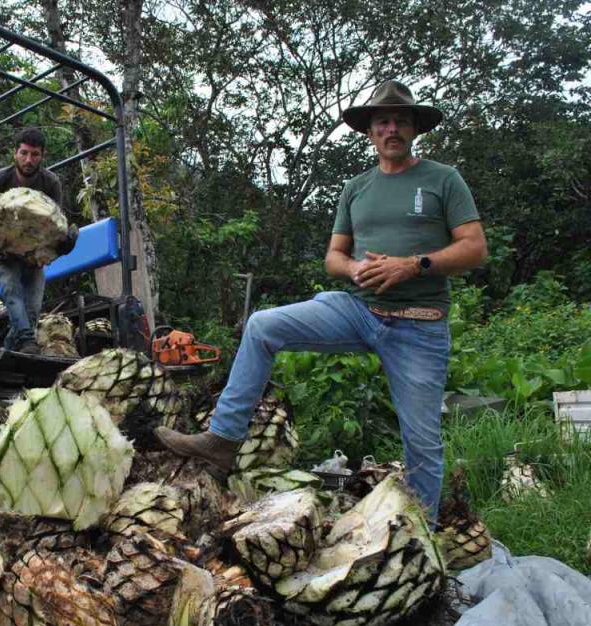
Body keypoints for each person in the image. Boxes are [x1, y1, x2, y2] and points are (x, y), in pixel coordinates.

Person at [155, 80, 488, 522]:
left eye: (400, 121)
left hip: (419, 324)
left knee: (422, 443)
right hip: (358, 310)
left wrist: (412, 265)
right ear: (370, 131)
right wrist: (353, 269)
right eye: (383, 121)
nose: (392, 129)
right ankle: (223, 440)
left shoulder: (443, 179)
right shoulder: (356, 187)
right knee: (263, 325)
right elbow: (334, 255)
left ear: (414, 129)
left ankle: (420, 537)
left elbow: (475, 248)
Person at [0, 127, 77, 354]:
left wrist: (62, 245)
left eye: (35, 154)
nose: (29, 160)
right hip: (5, 250)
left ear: (42, 155)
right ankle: (27, 343)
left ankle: (10, 352)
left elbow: (57, 223)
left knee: (32, 309)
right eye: (24, 153)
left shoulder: (51, 182)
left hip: (35, 254)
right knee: (11, 293)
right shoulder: (1, 178)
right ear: (15, 153)